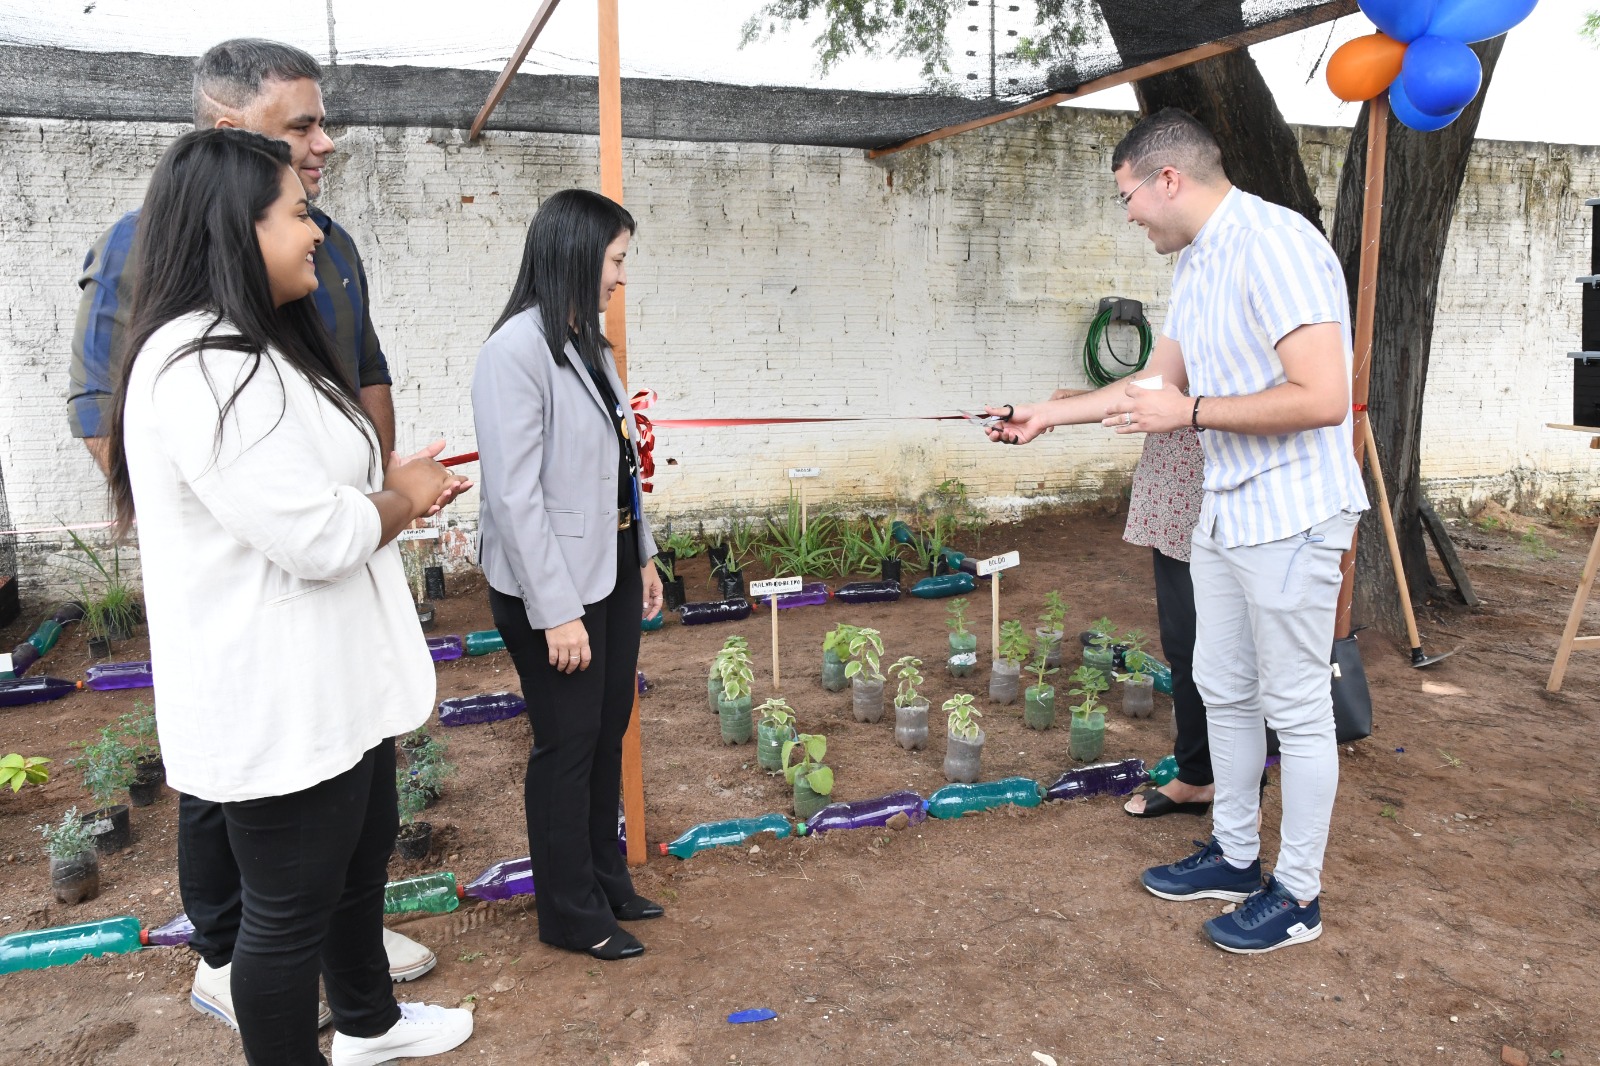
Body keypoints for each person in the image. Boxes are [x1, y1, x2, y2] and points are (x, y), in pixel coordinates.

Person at [65, 39, 432, 1026]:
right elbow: (130, 435)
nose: (325, 145)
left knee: (343, 853)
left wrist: (374, 490)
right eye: (301, 127)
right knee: (277, 894)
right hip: (266, 632)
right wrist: (350, 507)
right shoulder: (193, 347)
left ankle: (361, 1006)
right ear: (233, 151)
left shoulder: (294, 283)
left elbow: (361, 377)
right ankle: (230, 961)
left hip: (330, 603)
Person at [988, 108, 1367, 953]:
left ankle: (1297, 896)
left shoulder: (1277, 245)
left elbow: (1322, 397)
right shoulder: (1199, 261)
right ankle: (1234, 856)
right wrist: (1047, 414)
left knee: (1296, 709)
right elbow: (1154, 387)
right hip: (1226, 506)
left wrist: (1191, 413)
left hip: (1294, 512)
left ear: (1169, 180)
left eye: (1126, 196)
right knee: (1222, 687)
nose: (1127, 215)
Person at [472, 188, 665, 962]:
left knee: (606, 728)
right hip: (548, 583)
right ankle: (568, 912)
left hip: (608, 567)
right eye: (616, 259)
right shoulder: (514, 352)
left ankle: (605, 880)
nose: (621, 275)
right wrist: (556, 612)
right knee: (568, 742)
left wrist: (642, 553)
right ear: (578, 256)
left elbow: (621, 464)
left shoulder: (590, 343)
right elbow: (514, 497)